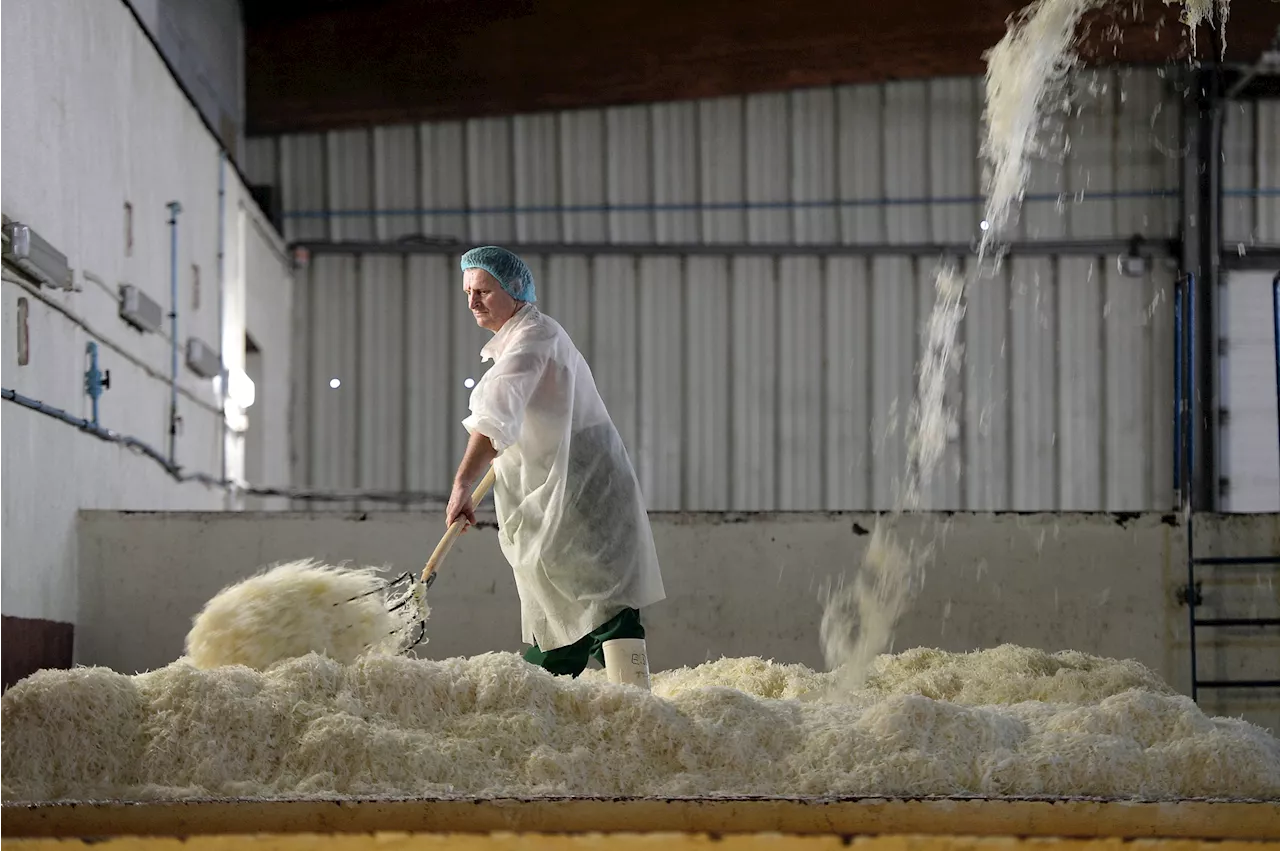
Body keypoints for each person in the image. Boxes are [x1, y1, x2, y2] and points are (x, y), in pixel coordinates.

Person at [443, 245, 666, 686]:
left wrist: (461, 485)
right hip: (556, 488)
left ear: (514, 291)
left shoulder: (532, 340)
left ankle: (633, 707)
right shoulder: (519, 341)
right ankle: (555, 697)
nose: (472, 302)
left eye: (484, 291)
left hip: (582, 487)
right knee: (565, 599)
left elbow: (492, 423)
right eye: (468, 292)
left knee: (602, 602)